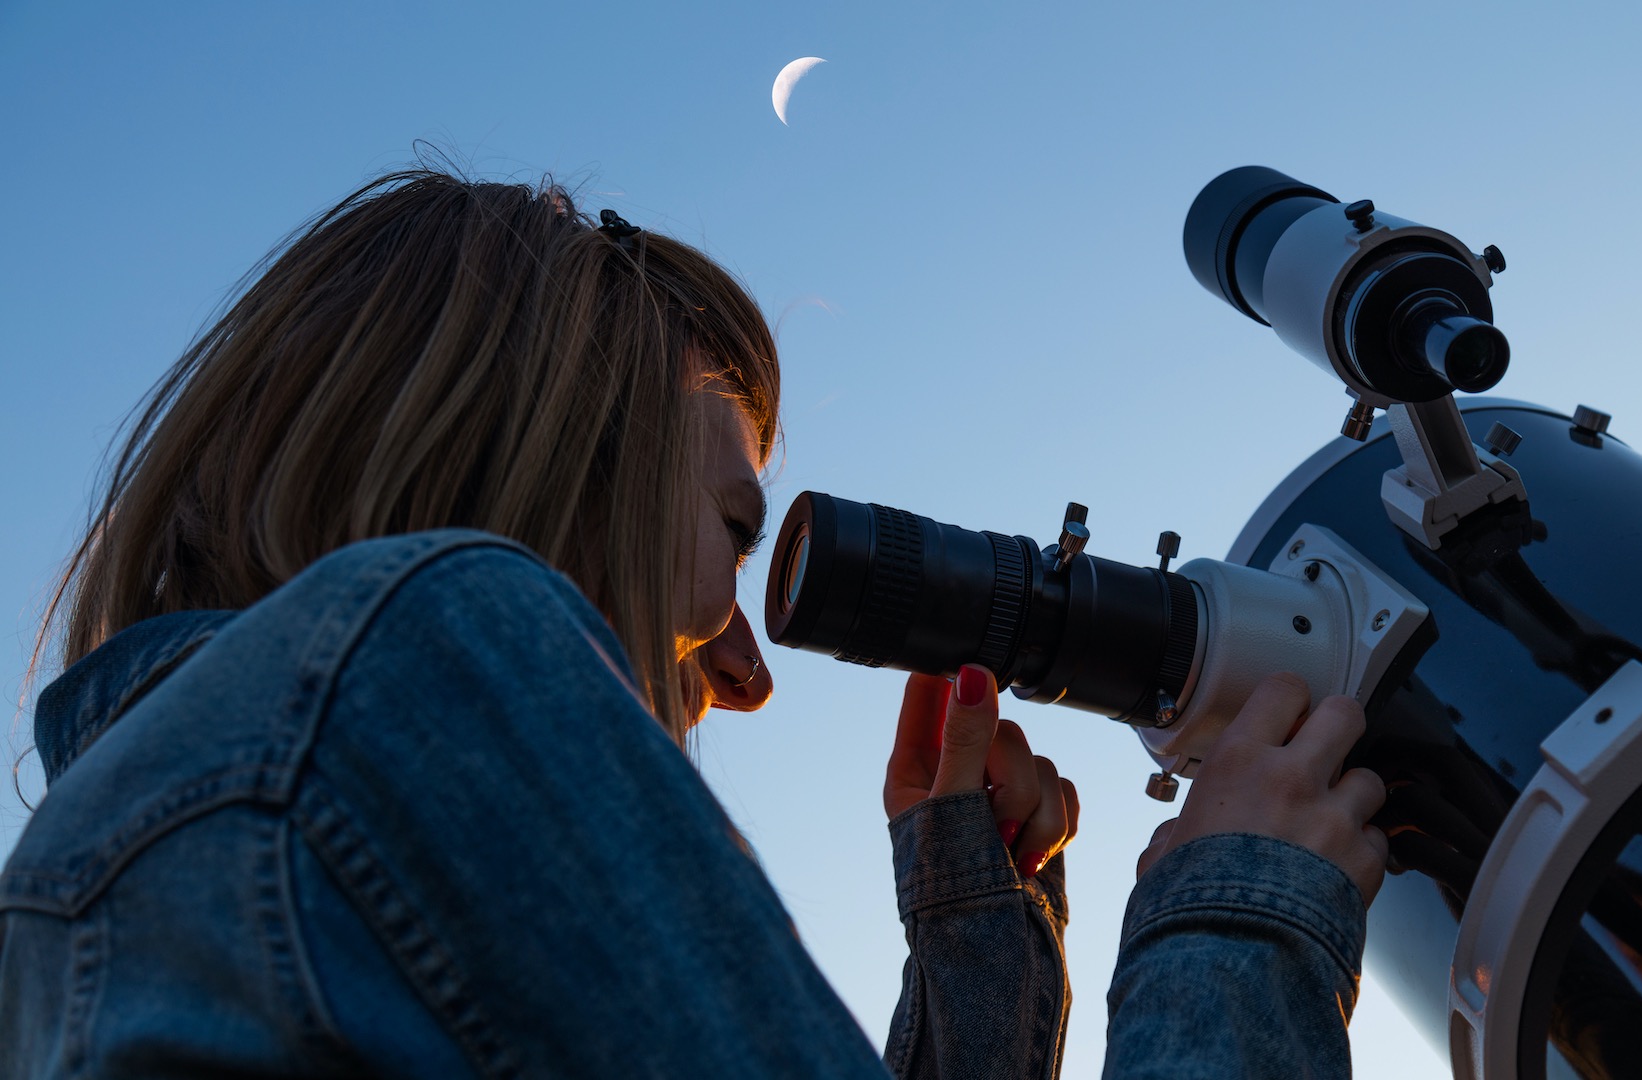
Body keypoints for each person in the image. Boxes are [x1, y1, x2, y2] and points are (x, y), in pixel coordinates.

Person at [0, 166, 1388, 1078]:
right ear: (542, 459)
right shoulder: (438, 643)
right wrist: (1241, 913)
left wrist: (979, 935)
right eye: (734, 529)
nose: (746, 669)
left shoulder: (116, 895)